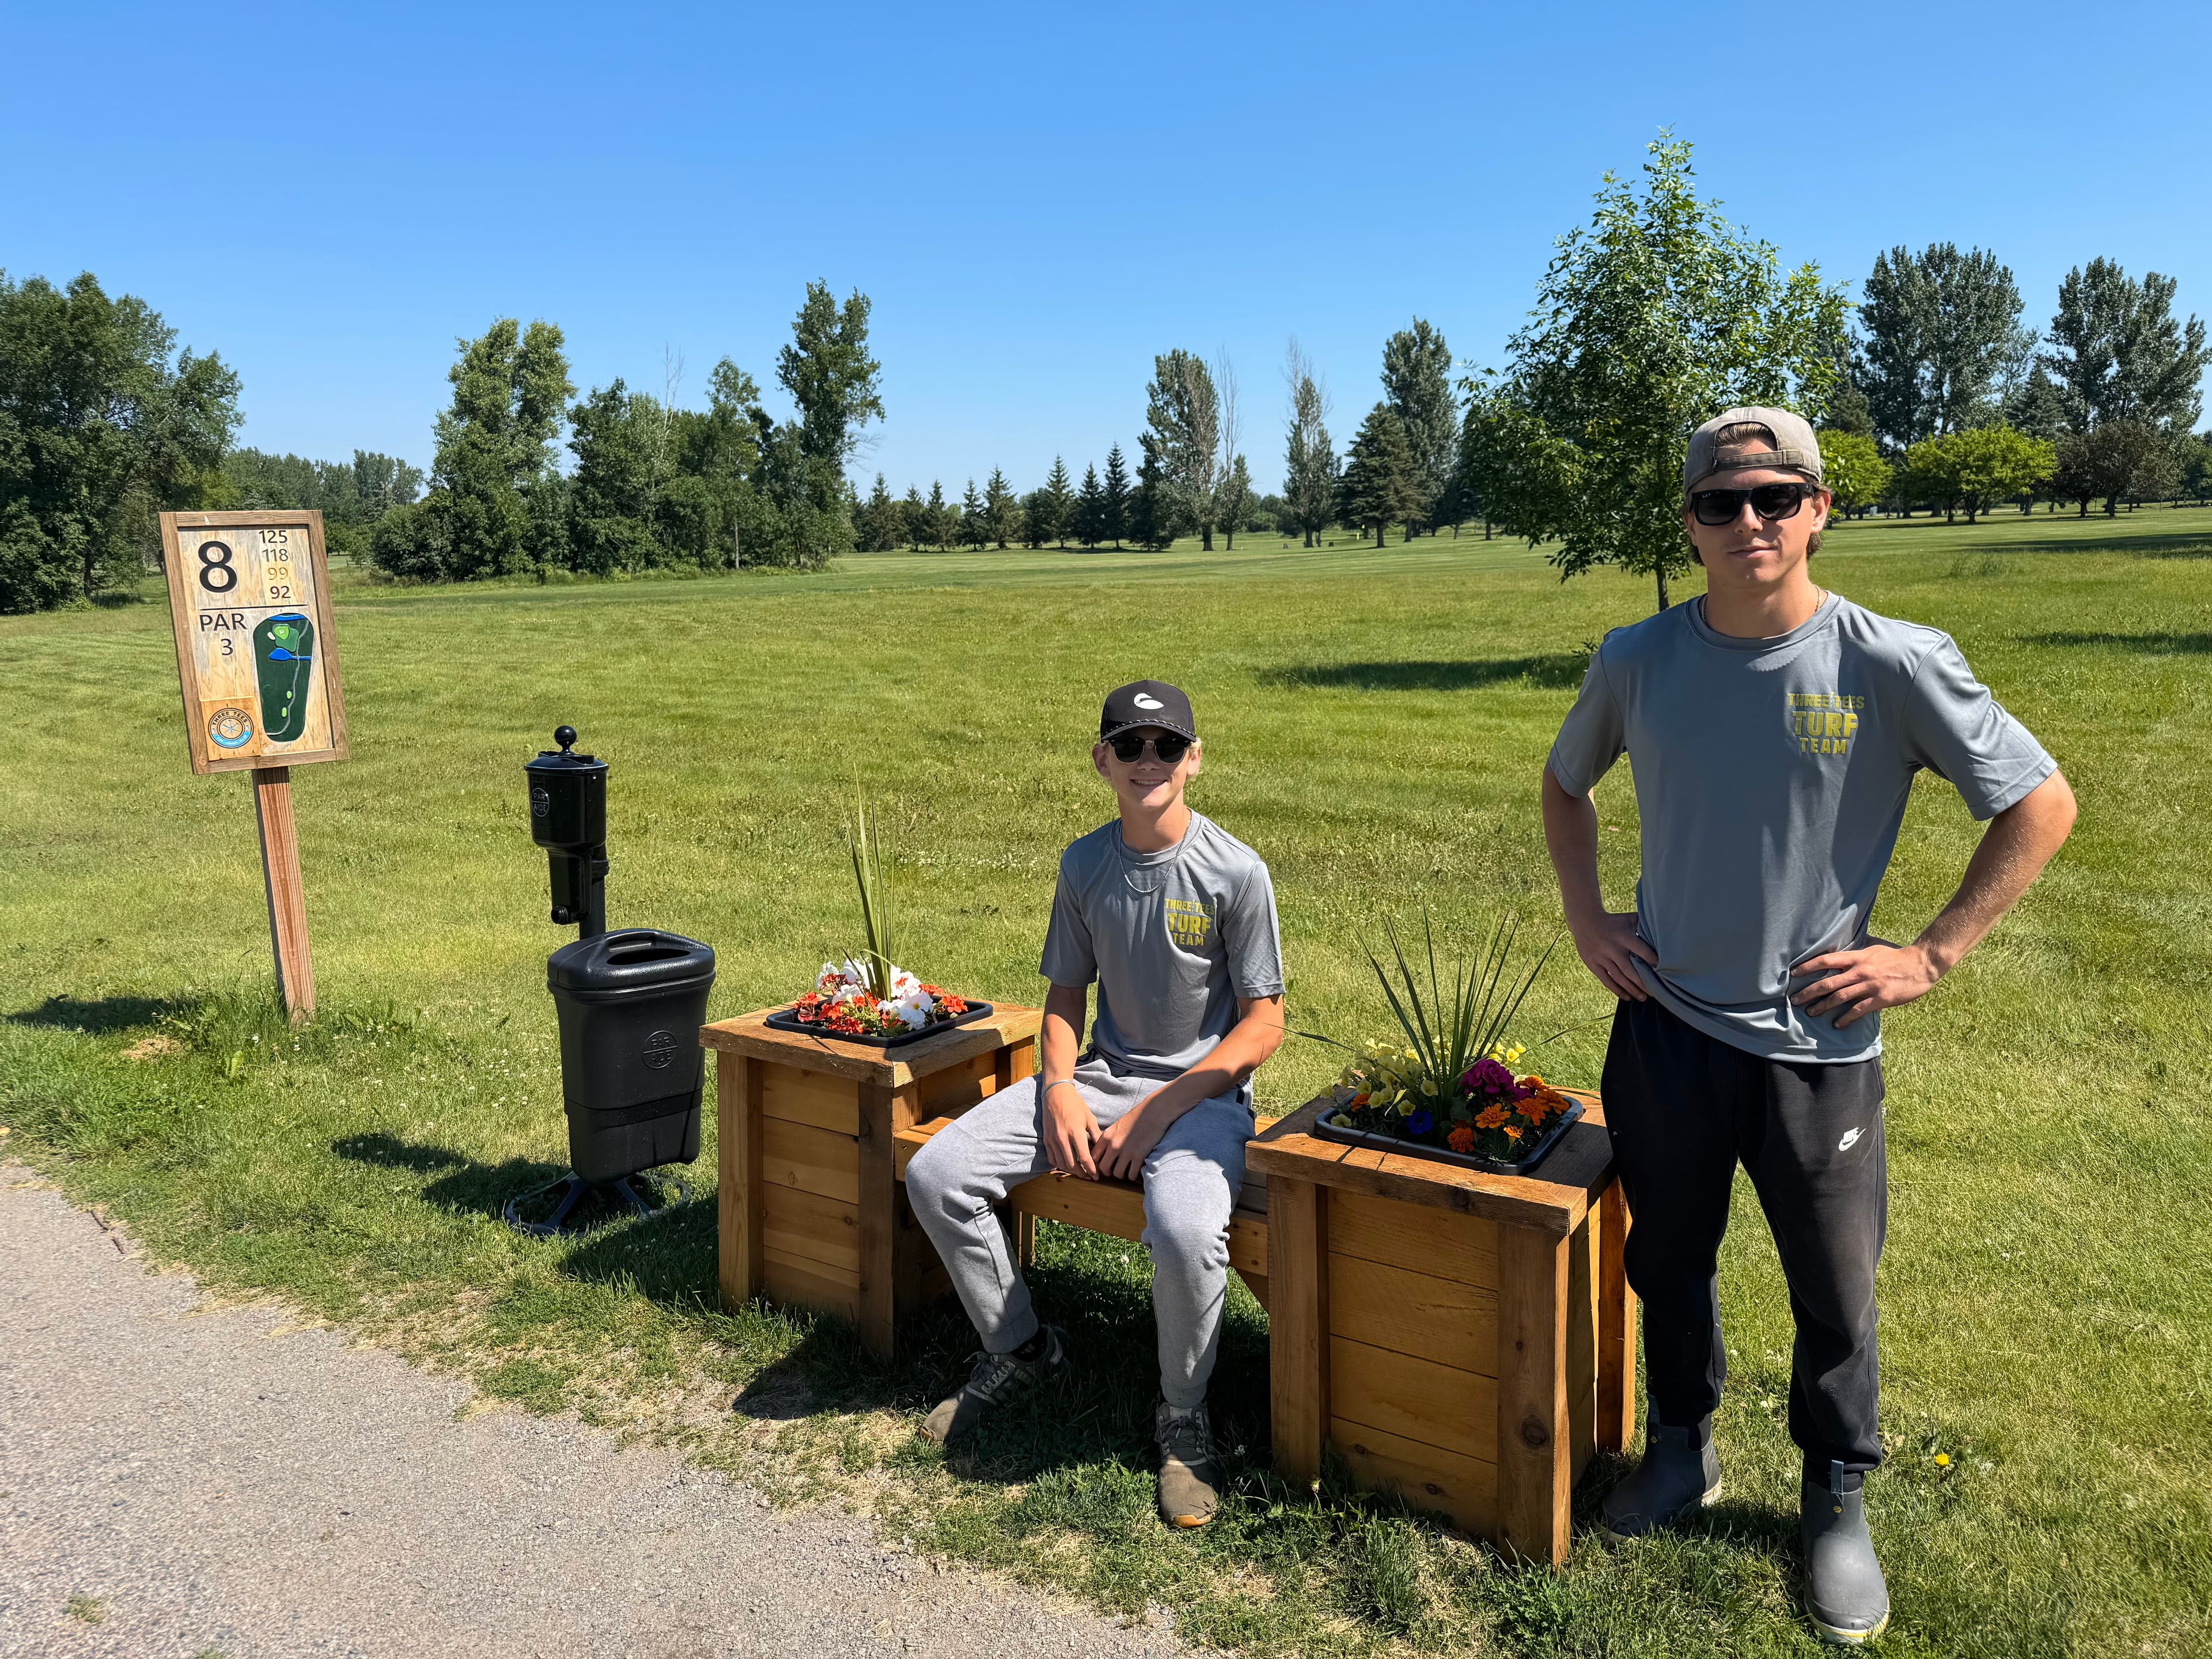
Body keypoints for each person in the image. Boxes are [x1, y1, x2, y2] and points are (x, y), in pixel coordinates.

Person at [1541, 408, 2076, 1645]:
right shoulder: (1636, 658)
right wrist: (1588, 918)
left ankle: (1835, 1500)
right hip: (1666, 1028)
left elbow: (2040, 803)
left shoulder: (1891, 661)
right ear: (1688, 520)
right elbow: (1566, 785)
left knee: (1833, 1293)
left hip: (1818, 1050)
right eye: (1723, 503)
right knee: (1664, 1259)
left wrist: (1931, 952)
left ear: (1820, 508)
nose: (1751, 523)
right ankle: (1682, 1449)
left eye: (1777, 497)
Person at [905, 679, 1286, 1528]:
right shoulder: (1085, 864)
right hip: (1103, 1079)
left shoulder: (1236, 872)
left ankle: (1183, 1416)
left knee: (1188, 1231)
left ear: (1194, 759)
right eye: (1128, 745)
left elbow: (1264, 1025)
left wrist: (1158, 1114)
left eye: (1164, 746)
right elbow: (1064, 1001)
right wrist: (1059, 1090)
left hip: (1204, 1100)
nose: (1146, 761)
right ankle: (1023, 1349)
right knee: (937, 1174)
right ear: (1101, 760)